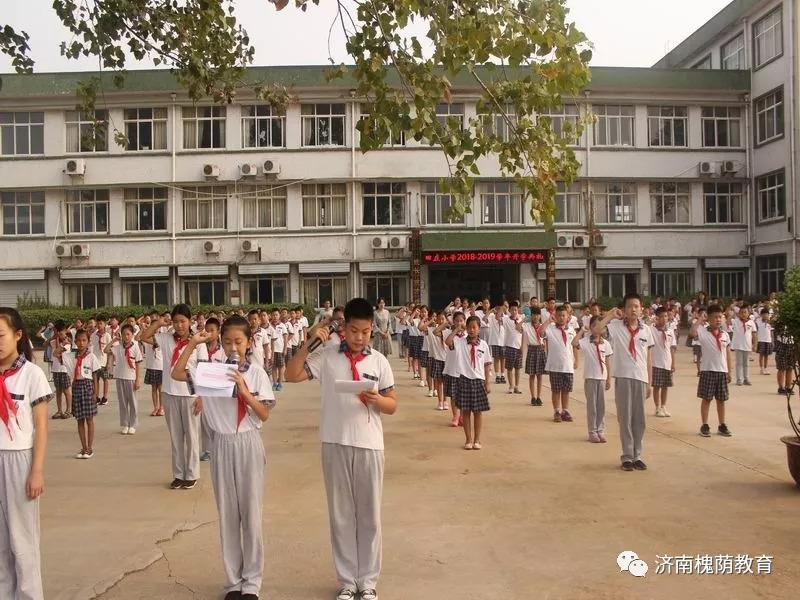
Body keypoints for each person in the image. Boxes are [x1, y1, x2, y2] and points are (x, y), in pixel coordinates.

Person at [285, 298, 397, 600]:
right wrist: (310, 342)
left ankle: (368, 582)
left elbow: (393, 403)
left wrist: (378, 401)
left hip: (370, 444)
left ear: (371, 329)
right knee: (341, 515)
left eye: (364, 331)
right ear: (343, 328)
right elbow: (291, 375)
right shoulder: (328, 357)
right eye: (353, 330)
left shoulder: (379, 362)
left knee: (369, 515)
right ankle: (348, 581)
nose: (358, 337)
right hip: (335, 442)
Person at [173, 315, 274, 600]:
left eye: (238, 341)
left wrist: (245, 392)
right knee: (228, 515)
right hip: (222, 445)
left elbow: (264, 413)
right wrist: (193, 343)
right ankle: (233, 582)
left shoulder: (256, 373)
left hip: (249, 442)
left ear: (248, 342)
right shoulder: (211, 370)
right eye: (227, 341)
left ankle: (252, 582)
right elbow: (178, 374)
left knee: (251, 515)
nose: (233, 347)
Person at [0, 307, 52, 600]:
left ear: (18, 336)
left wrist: (36, 470)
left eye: (0, 335)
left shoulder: (32, 375)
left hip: (19, 460)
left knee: (22, 540)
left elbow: (42, 426)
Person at [139, 304, 207, 489]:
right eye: (176, 322)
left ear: (190, 321)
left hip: (190, 395)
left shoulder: (198, 341)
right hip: (170, 394)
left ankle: (191, 473)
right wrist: (158, 323)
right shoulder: (165, 338)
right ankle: (178, 473)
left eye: (183, 321)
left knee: (192, 437)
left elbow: (202, 371)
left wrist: (202, 396)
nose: (179, 326)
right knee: (176, 438)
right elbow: (143, 337)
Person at [594, 293, 655, 471]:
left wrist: (650, 383)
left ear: (641, 309)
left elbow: (649, 358)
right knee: (625, 418)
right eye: (629, 306)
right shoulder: (615, 326)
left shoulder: (646, 330)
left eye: (636, 306)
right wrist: (610, 314)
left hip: (641, 378)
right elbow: (597, 330)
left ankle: (637, 455)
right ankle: (627, 456)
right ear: (624, 309)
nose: (633, 309)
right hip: (623, 377)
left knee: (640, 420)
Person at [446, 315, 492, 450]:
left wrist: (488, 382)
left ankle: (477, 439)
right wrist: (456, 329)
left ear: (479, 329)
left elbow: (487, 364)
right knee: (465, 412)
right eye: (469, 327)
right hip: (464, 379)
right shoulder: (460, 342)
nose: (471, 330)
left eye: (474, 327)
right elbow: (448, 342)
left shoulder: (483, 345)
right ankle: (468, 439)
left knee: (478, 412)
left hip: (478, 381)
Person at [55, 329, 101, 459]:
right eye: (79, 340)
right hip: (76, 386)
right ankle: (83, 447)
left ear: (88, 342)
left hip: (87, 386)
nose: (81, 343)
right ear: (75, 342)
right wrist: (64, 344)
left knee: (89, 419)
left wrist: (95, 393)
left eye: (84, 340)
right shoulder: (70, 356)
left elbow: (95, 375)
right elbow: (56, 353)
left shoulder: (91, 356)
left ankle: (90, 448)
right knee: (79, 419)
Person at [691, 305, 733, 438]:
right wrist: (699, 319)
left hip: (722, 370)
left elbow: (728, 354)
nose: (718, 320)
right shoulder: (703, 332)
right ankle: (705, 424)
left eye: (720, 317)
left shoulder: (725, 334)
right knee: (706, 399)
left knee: (721, 399)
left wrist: (729, 371)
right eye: (715, 317)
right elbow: (692, 333)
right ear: (708, 318)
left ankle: (722, 424)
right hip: (708, 370)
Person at [574, 316, 612, 443]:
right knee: (592, 407)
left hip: (602, 377)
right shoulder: (586, 341)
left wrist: (608, 379)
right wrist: (581, 331)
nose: (598, 327)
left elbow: (608, 361)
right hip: (590, 377)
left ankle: (600, 430)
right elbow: (574, 343)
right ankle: (592, 431)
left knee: (601, 406)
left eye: (600, 325)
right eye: (595, 325)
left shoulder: (605, 344)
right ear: (591, 328)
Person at [105, 323, 143, 435]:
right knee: (123, 402)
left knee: (133, 402)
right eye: (124, 334)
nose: (126, 337)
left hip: (131, 378)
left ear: (132, 335)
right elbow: (106, 350)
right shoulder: (118, 347)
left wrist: (137, 380)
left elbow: (138, 364)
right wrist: (113, 340)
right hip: (120, 377)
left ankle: (133, 424)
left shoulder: (135, 347)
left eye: (128, 334)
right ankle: (125, 424)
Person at [543, 305, 577, 423]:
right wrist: (548, 321)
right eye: (559, 316)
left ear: (568, 317)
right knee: (556, 390)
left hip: (568, 365)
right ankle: (557, 410)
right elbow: (540, 332)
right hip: (555, 365)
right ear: (555, 317)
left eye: (564, 315)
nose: (561, 318)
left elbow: (574, 346)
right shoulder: (550, 329)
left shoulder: (571, 330)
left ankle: (565, 410)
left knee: (566, 390)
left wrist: (575, 360)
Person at [650, 307, 677, 418]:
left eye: (666, 316)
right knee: (657, 386)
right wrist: (650, 321)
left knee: (665, 386)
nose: (664, 319)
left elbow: (672, 348)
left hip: (667, 362)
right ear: (657, 318)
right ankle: (657, 407)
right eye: (662, 316)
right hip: (656, 362)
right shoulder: (651, 330)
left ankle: (663, 406)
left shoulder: (670, 331)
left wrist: (673, 363)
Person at [440, 311, 465, 427]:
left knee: (463, 396)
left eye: (461, 321)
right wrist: (455, 331)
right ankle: (455, 416)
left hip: (464, 371)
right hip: (452, 370)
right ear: (453, 322)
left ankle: (463, 417)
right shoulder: (449, 334)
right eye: (457, 321)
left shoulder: (467, 335)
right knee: (454, 396)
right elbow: (447, 342)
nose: (459, 323)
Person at [139, 313, 164, 417]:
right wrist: (143, 329)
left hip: (161, 367)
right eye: (153, 328)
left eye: (157, 328)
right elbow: (138, 338)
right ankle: (155, 407)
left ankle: (162, 408)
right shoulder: (148, 340)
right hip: (151, 366)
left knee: (160, 388)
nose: (155, 330)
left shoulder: (162, 339)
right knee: (153, 388)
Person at [521, 307, 546, 407]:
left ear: (540, 316)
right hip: (531, 349)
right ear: (531, 315)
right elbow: (517, 328)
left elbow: (545, 338)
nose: (535, 316)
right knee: (531, 375)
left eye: (537, 314)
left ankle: (539, 397)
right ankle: (533, 397)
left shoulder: (542, 326)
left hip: (540, 349)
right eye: (533, 314)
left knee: (539, 375)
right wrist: (523, 319)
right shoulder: (527, 326)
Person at [49, 320, 73, 419]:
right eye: (57, 331)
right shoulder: (54, 341)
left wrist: (61, 344)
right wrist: (55, 337)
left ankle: (68, 410)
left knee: (66, 391)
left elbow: (56, 353)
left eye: (61, 332)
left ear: (65, 331)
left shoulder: (68, 343)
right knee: (58, 391)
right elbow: (47, 344)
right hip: (56, 369)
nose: (59, 334)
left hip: (64, 369)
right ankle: (59, 410)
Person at [728, 303, 756, 386]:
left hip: (747, 345)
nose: (744, 314)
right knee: (739, 363)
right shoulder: (736, 321)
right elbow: (728, 322)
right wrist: (731, 314)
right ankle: (739, 379)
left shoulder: (751, 322)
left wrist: (755, 344)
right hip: (738, 345)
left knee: (746, 363)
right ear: (739, 313)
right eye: (742, 312)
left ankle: (746, 378)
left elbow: (754, 334)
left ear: (748, 313)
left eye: (745, 312)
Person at [502, 301, 524, 395]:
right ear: (509, 310)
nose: (514, 311)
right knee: (510, 368)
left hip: (518, 346)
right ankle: (511, 386)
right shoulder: (506, 320)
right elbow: (498, 316)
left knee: (518, 368)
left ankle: (516, 386)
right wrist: (503, 308)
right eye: (512, 310)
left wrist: (522, 347)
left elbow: (523, 333)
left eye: (516, 309)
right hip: (510, 346)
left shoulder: (521, 319)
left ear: (518, 310)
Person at [90, 315, 112, 406]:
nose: (99, 325)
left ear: (105, 324)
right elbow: (91, 348)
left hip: (104, 361)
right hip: (95, 362)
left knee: (105, 379)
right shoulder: (93, 335)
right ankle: (96, 396)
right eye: (97, 323)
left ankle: (105, 397)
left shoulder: (107, 336)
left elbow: (110, 350)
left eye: (101, 323)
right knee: (95, 380)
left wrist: (109, 362)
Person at [429, 312, 448, 411]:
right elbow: (435, 332)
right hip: (438, 359)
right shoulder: (434, 330)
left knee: (445, 382)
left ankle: (445, 400)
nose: (441, 321)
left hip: (447, 360)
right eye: (439, 319)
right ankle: (440, 401)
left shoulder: (449, 332)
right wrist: (443, 324)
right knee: (439, 382)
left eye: (443, 319)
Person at [269, 309, 289, 391]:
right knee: (273, 367)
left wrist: (285, 349)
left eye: (276, 315)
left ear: (279, 316)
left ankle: (280, 383)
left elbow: (285, 338)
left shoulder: (282, 326)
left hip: (280, 350)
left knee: (281, 367)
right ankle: (274, 383)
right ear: (271, 316)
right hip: (271, 350)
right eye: (273, 315)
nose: (275, 317)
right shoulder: (269, 326)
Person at [486, 305, 506, 385]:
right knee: (496, 358)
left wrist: (504, 311)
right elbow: (485, 318)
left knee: (503, 359)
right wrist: (491, 310)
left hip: (503, 341)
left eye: (502, 311)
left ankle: (502, 375)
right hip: (494, 341)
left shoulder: (505, 318)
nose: (500, 312)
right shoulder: (491, 317)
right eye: (499, 310)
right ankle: (497, 375)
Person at [775, 328, 797, 395]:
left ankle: (788, 387)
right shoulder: (780, 322)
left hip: (792, 344)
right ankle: (781, 387)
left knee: (790, 367)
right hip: (782, 343)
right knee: (781, 367)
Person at [756, 308, 773, 375]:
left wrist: (772, 341)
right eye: (764, 314)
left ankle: (766, 368)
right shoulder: (758, 321)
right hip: (761, 340)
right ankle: (761, 368)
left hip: (768, 340)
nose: (765, 315)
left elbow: (771, 332)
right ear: (761, 315)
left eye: (767, 314)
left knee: (766, 355)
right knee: (761, 355)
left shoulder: (770, 323)